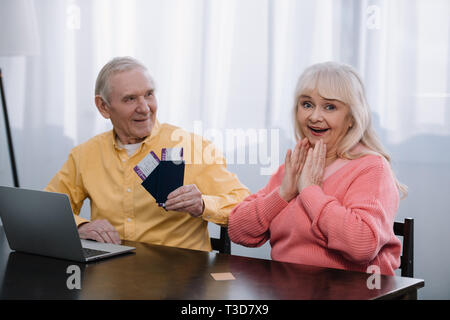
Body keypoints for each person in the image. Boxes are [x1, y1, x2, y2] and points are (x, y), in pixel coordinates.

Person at [45, 56, 250, 252]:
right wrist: (81, 227)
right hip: (111, 273)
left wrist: (204, 204)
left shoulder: (194, 147)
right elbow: (48, 209)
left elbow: (245, 205)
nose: (144, 108)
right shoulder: (84, 155)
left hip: (181, 277)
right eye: (130, 99)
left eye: (149, 94)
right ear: (103, 107)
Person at [228, 62, 407, 275]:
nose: (314, 116)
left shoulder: (371, 168)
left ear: (351, 117)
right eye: (307, 104)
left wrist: (310, 192)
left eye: (329, 107)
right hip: (289, 289)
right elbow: (238, 231)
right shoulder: (294, 166)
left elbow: (362, 245)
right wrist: (284, 193)